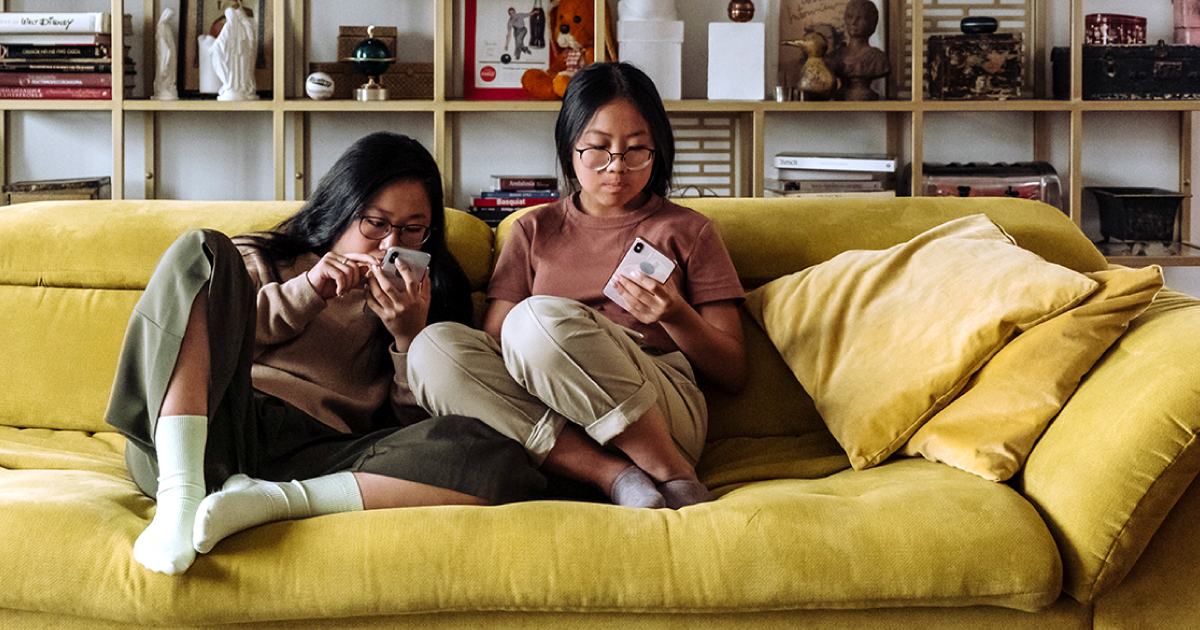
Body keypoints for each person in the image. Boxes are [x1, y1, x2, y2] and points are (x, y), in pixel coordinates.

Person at [106, 132, 544, 575]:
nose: (390, 244)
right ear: (341, 209)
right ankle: (180, 500)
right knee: (200, 249)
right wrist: (308, 290)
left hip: (319, 455)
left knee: (498, 455)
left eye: (412, 230)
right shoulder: (262, 259)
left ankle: (268, 502)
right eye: (375, 223)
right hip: (216, 425)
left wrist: (408, 338)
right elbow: (219, 335)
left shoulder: (426, 299)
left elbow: (411, 430)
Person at [407, 62, 747, 510]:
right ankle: (613, 476)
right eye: (598, 149)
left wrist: (675, 315)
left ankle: (671, 471)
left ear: (658, 151)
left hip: (664, 410)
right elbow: (495, 345)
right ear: (570, 149)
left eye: (636, 151)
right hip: (560, 423)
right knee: (432, 349)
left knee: (535, 320)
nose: (616, 169)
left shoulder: (688, 231)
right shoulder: (531, 230)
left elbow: (733, 373)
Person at [825, 0, 889, 101]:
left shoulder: (879, 59)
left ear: (871, 23)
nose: (853, 22)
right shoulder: (834, 57)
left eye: (859, 18)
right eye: (850, 17)